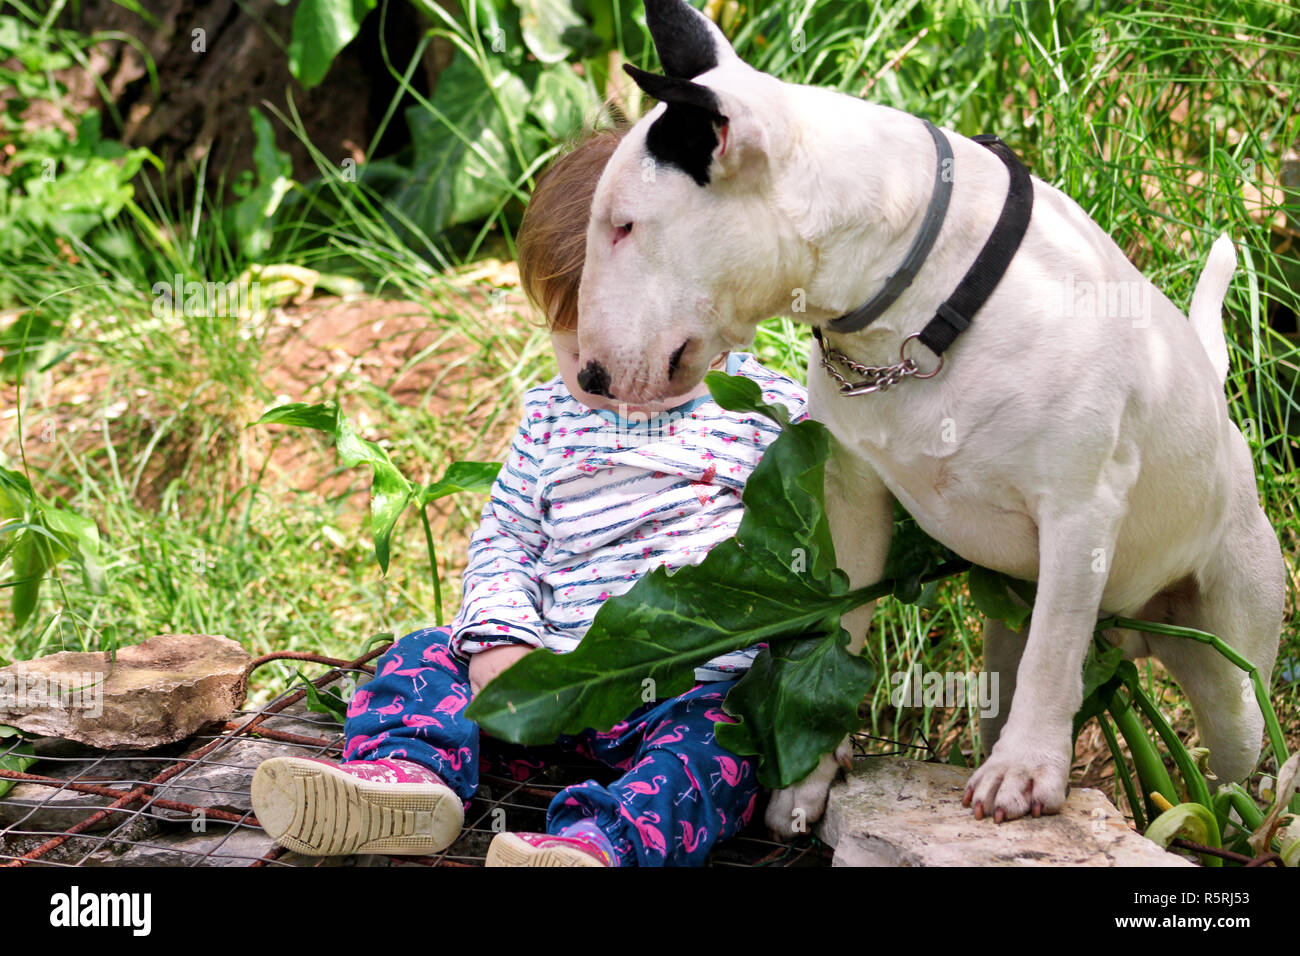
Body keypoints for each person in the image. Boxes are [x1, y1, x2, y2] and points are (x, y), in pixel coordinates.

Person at [251, 126, 808, 866]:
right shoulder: (551, 419)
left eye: (656, 354)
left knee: (724, 749)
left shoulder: (768, 414)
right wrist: (502, 638)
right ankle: (407, 781)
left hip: (688, 694)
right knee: (421, 655)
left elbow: (828, 534)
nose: (618, 383)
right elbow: (508, 539)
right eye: (585, 359)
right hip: (548, 690)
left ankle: (598, 845)